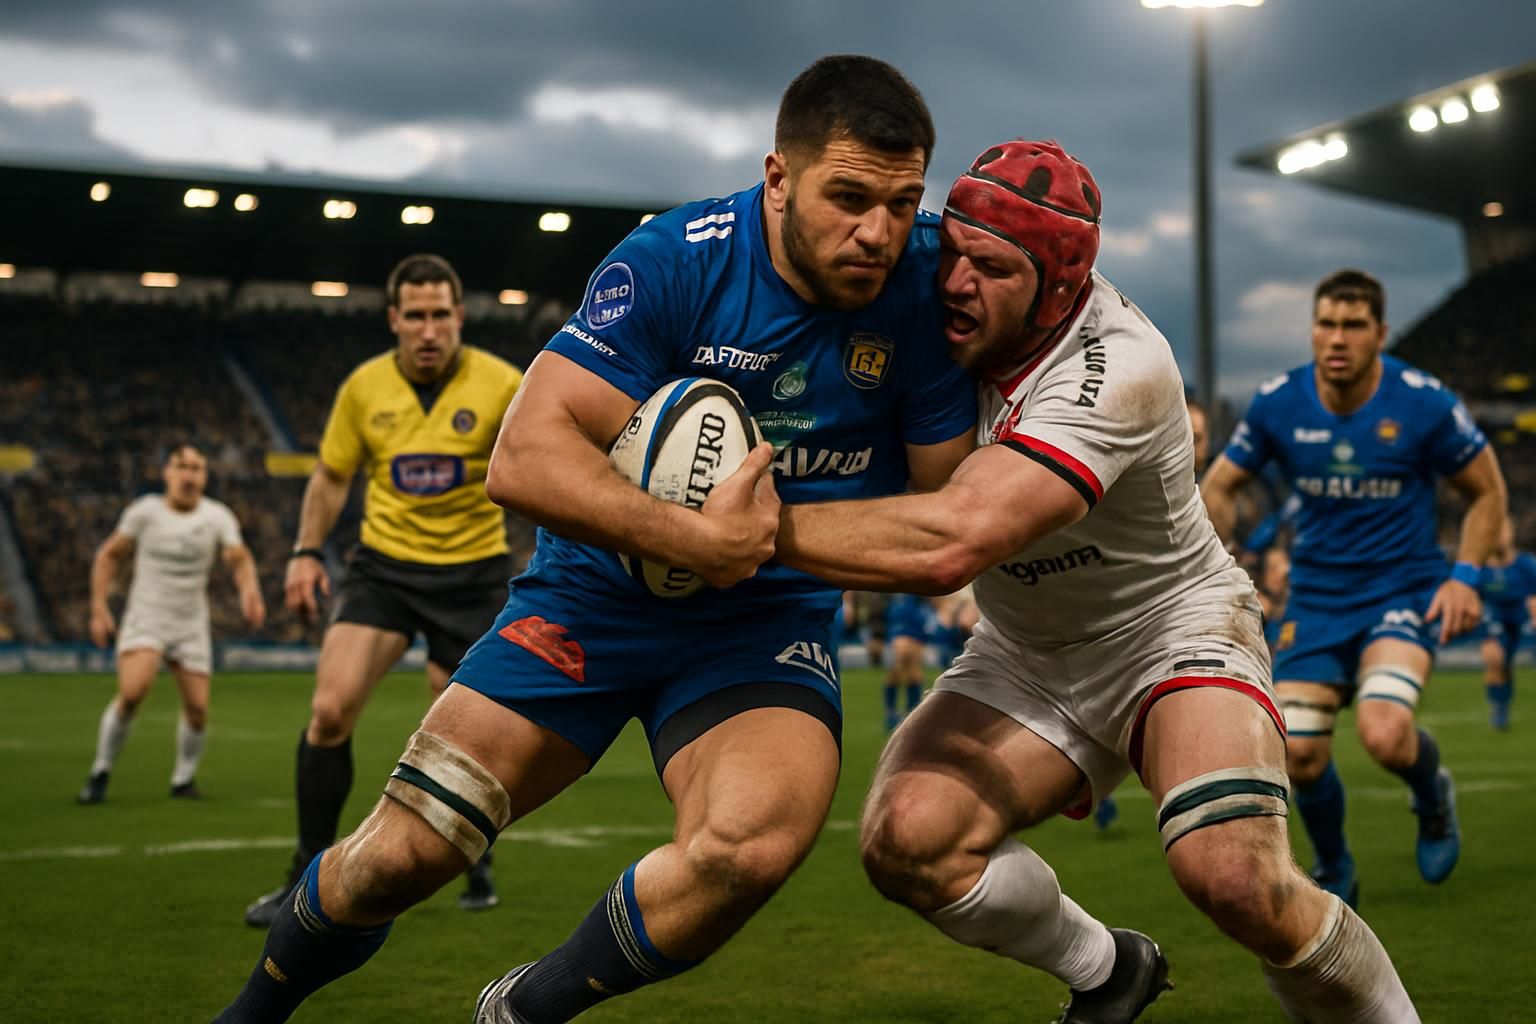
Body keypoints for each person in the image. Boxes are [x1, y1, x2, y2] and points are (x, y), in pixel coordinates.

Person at [213, 55, 975, 1024]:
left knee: (747, 849)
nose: (878, 231)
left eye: (903, 202)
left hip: (761, 629)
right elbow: (524, 458)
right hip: (589, 601)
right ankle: (249, 1015)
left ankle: (523, 1008)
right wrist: (695, 536)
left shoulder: (925, 287)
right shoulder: (679, 258)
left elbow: (944, 516)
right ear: (778, 177)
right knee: (398, 856)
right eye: (850, 196)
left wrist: (758, 542)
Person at [774, 140, 1421, 1022]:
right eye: (953, 251)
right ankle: (1110, 969)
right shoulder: (923, 281)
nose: (956, 282)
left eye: (993, 268)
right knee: (907, 845)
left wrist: (735, 532)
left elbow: (953, 543)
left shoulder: (1117, 365)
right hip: (1026, 648)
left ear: (1062, 286)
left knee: (1234, 879)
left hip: (1170, 631)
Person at [1202, 268, 1507, 907]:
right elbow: (1221, 487)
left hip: (1402, 590)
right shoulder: (1279, 400)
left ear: (1380, 334)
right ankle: (1336, 867)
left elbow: (1488, 491)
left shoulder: (1424, 401)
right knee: (1303, 756)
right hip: (1316, 599)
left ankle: (1433, 797)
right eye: (1326, 324)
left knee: (1385, 734)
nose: (1336, 339)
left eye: (1352, 326)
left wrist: (1466, 577)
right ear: (1312, 329)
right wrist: (1223, 562)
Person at [242, 253, 524, 926]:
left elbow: (540, 465)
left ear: (459, 317)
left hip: (475, 573)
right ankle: (304, 873)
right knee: (331, 710)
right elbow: (333, 476)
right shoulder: (363, 388)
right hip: (386, 569)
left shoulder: (506, 384)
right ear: (394, 320)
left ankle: (472, 856)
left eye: (441, 316)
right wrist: (306, 551)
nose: (429, 330)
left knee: (466, 734)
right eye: (416, 317)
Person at [78, 442, 264, 803]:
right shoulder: (145, 512)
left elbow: (238, 557)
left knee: (197, 710)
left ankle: (183, 780)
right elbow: (109, 555)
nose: (189, 475)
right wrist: (99, 607)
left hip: (190, 621)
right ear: (167, 472)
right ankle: (100, 771)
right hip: (147, 615)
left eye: (197, 468)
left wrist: (249, 591)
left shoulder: (217, 516)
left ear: (205, 476)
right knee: (133, 692)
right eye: (182, 466)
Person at [1476, 519, 1536, 729]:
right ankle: (1498, 706)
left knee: (1506, 665)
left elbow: (1534, 597)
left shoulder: (1525, 565)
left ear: (1511, 533)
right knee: (1494, 658)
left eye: (1503, 530)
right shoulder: (1480, 568)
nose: (1499, 536)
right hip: (1494, 615)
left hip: (1520, 618)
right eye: (1495, 530)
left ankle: (1504, 698)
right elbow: (1474, 597)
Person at [883, 594, 937, 730]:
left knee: (914, 670)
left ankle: (911, 712)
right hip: (901, 620)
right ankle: (891, 712)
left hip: (917, 619)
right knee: (898, 664)